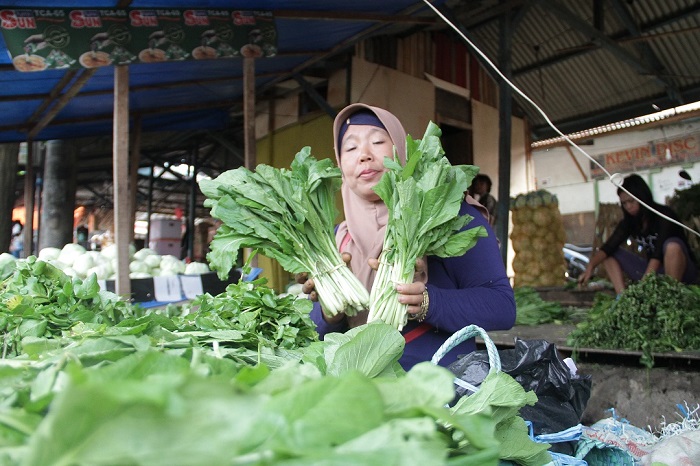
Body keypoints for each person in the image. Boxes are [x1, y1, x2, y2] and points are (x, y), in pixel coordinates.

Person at [301, 103, 516, 370]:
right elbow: (318, 334)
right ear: (340, 164)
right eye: (351, 148)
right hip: (358, 390)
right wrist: (327, 313)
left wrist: (428, 302)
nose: (364, 155)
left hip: (439, 391)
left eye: (378, 141)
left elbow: (502, 307)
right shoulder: (335, 240)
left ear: (402, 151)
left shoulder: (449, 214)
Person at [578, 173, 698, 294]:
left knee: (672, 246)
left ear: (642, 197)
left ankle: (672, 293)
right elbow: (608, 247)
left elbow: (657, 255)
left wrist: (644, 284)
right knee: (609, 254)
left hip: (682, 272)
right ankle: (623, 297)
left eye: (631, 201)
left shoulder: (664, 215)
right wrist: (590, 267)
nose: (628, 206)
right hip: (655, 273)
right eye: (624, 203)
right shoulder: (630, 222)